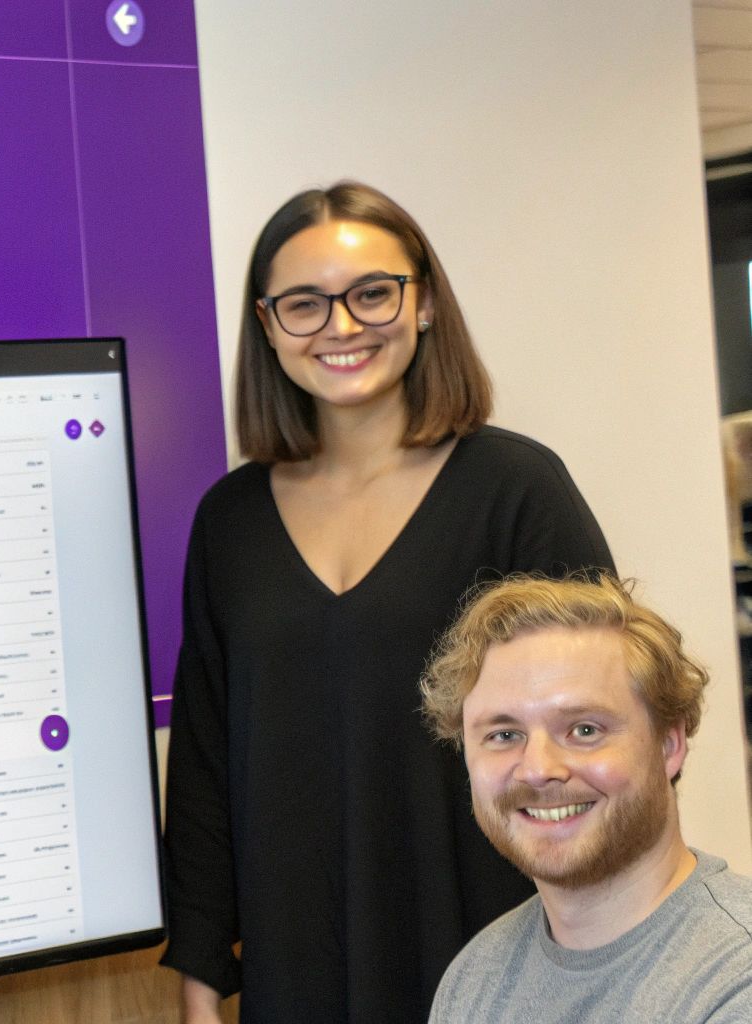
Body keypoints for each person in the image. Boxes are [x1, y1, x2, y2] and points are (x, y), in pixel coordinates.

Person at [159, 181, 614, 1024]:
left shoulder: (516, 491)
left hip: (499, 958)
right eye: (304, 303)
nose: (341, 326)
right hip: (297, 965)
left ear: (426, 302)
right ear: (267, 325)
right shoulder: (228, 522)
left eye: (373, 293)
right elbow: (204, 773)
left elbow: (605, 737)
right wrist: (199, 983)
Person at [420, 574, 752, 1022]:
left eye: (584, 730)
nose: (538, 768)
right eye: (504, 734)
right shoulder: (474, 980)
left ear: (669, 745)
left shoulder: (736, 976)